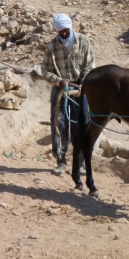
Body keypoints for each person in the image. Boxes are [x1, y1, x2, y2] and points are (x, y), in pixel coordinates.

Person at [42, 13, 95, 176]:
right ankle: (61, 160)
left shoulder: (84, 41)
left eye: (65, 30)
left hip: (80, 87)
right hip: (60, 87)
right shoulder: (52, 46)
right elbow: (45, 70)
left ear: (70, 27)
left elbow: (90, 64)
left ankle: (81, 162)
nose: (63, 34)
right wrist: (59, 81)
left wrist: (82, 81)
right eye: (60, 32)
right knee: (59, 123)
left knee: (82, 123)